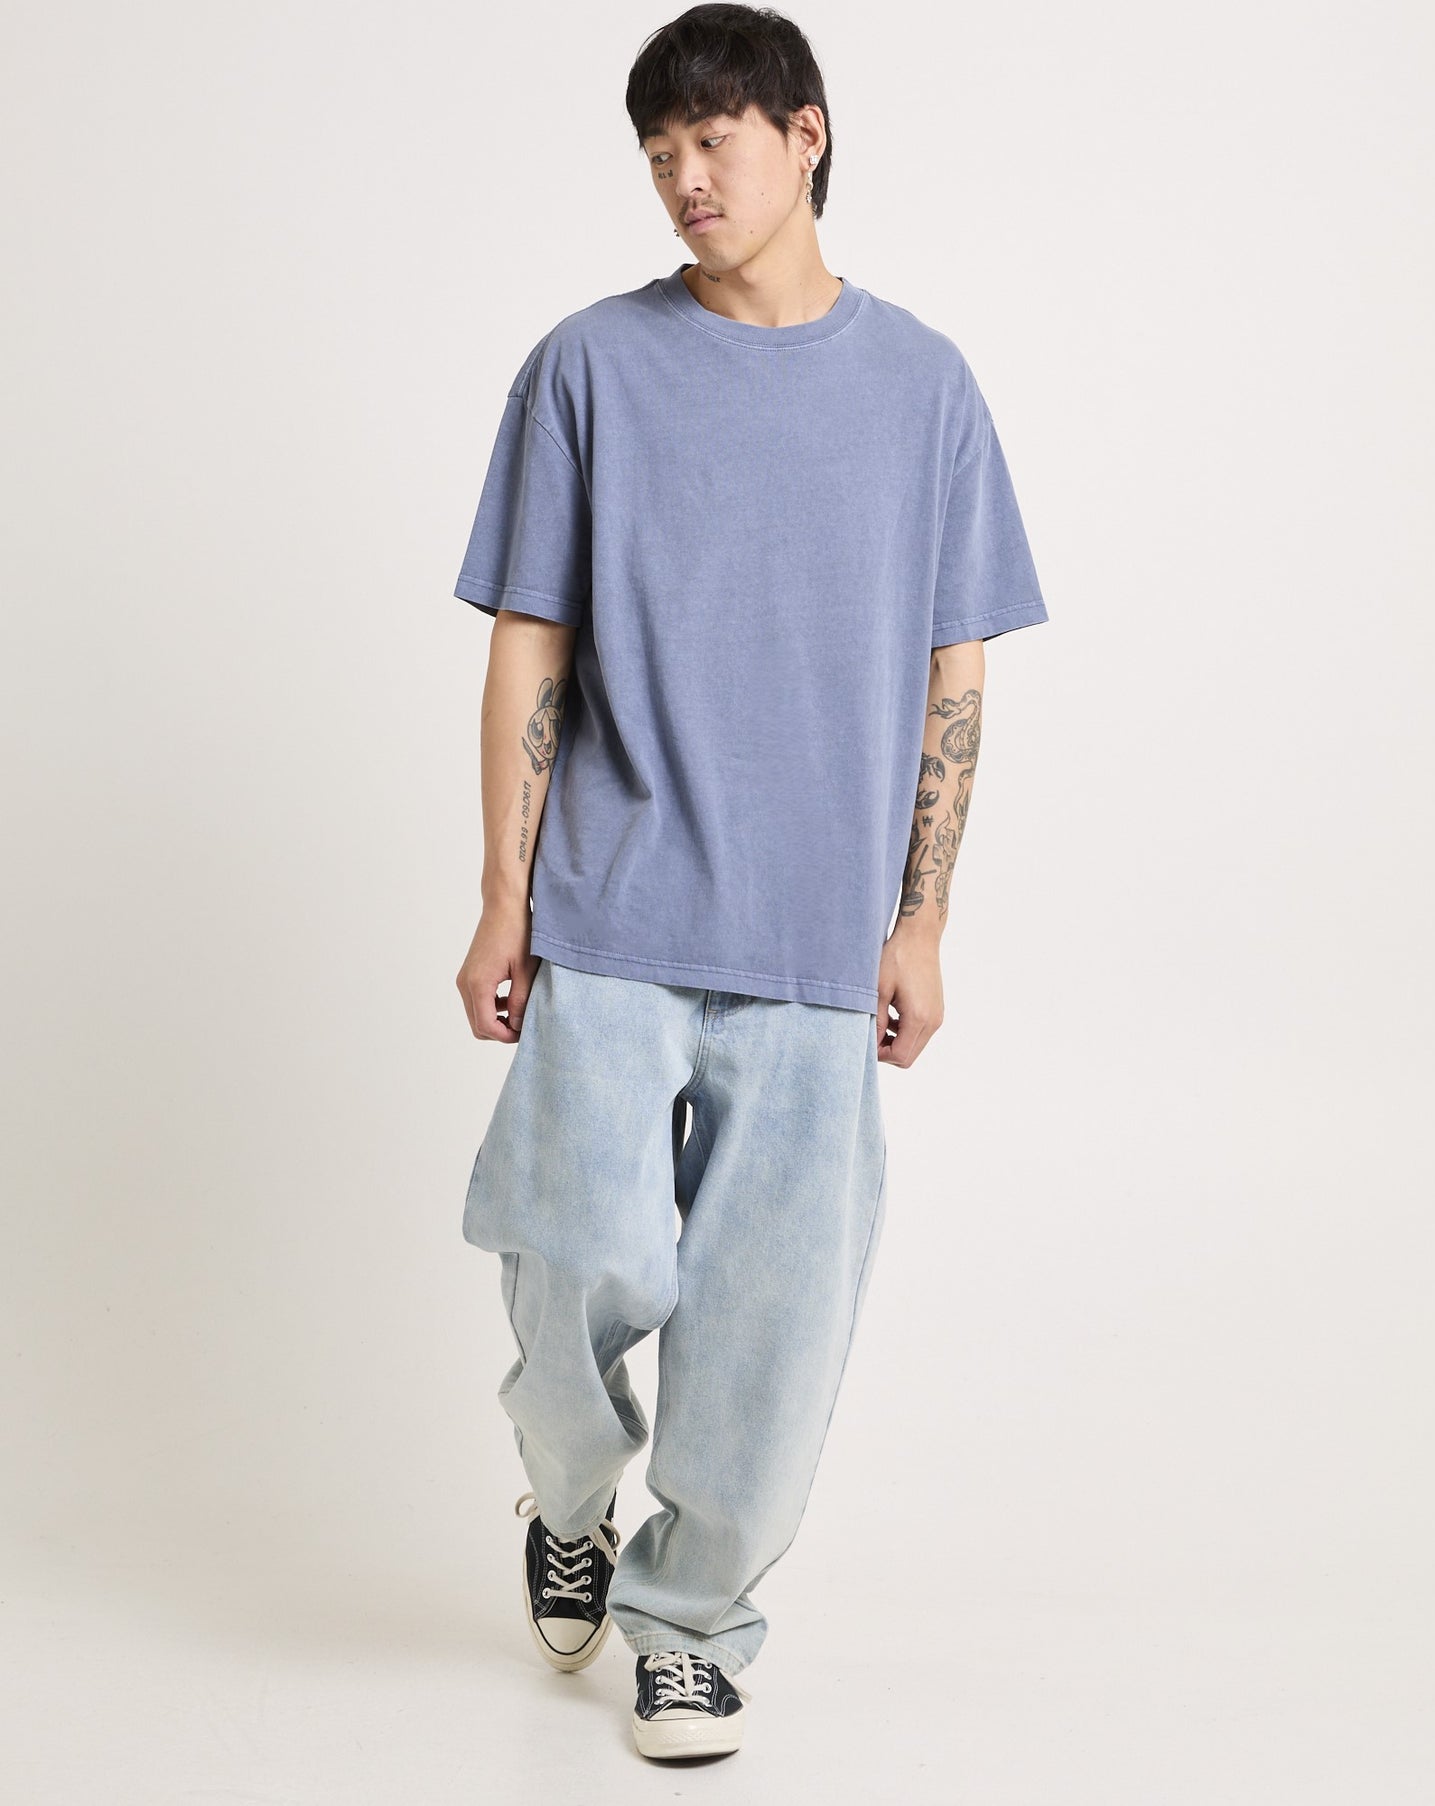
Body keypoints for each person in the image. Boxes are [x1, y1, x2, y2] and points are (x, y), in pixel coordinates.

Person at [451, 2, 1049, 1763]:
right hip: (613, 905)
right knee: (575, 1254)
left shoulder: (923, 387)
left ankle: (692, 1622)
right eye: (657, 153)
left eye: (711, 139)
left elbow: (952, 664)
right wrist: (502, 893)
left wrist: (921, 917)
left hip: (810, 937)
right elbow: (529, 638)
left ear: (804, 133)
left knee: (770, 1328)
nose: (683, 179)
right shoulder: (587, 366)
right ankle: (568, 1491)